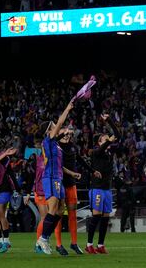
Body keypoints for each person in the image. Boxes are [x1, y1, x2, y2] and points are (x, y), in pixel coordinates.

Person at [35, 100, 74, 255]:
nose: (55, 127)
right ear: (48, 131)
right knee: (53, 209)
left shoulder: (55, 143)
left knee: (60, 211)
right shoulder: (49, 139)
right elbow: (60, 122)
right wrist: (68, 107)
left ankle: (45, 237)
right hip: (50, 178)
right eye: (53, 126)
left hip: (58, 178)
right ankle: (43, 239)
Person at [57, 126, 100, 255]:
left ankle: (74, 243)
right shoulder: (56, 146)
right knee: (58, 215)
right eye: (65, 133)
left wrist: (92, 171)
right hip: (59, 182)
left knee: (72, 213)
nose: (67, 135)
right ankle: (59, 245)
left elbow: (80, 160)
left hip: (71, 183)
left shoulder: (73, 146)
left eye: (69, 133)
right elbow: (59, 165)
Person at [85, 113, 121, 254]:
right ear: (99, 142)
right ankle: (89, 244)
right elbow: (102, 147)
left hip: (107, 189)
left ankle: (100, 245)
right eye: (104, 139)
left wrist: (109, 121)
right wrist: (108, 140)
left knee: (106, 217)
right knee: (96, 216)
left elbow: (117, 134)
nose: (108, 140)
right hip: (97, 189)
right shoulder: (96, 152)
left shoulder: (108, 154)